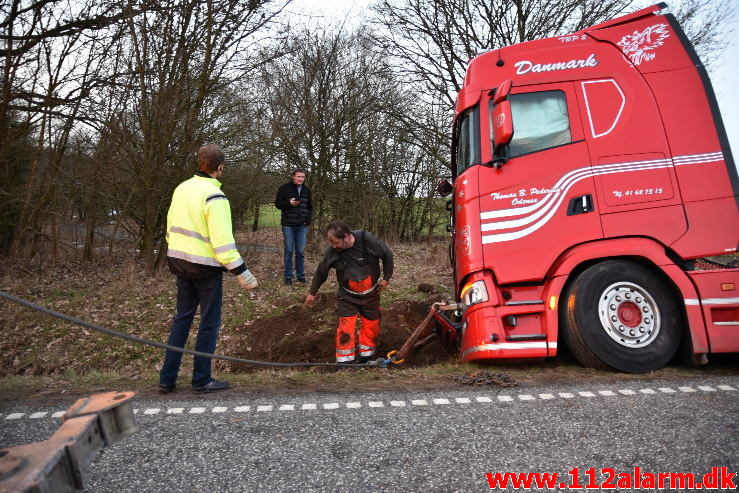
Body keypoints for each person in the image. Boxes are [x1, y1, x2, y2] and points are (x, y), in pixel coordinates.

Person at [160, 144, 258, 394]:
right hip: (205, 270)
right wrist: (243, 273)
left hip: (179, 264)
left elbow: (170, 229)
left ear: (200, 163)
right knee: (209, 323)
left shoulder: (181, 189)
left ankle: (167, 378)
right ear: (220, 167)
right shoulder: (215, 197)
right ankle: (201, 379)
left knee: (182, 320)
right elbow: (224, 245)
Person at [304, 220, 393, 363]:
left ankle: (366, 358)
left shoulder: (366, 240)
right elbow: (321, 272)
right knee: (346, 327)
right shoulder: (333, 251)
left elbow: (387, 255)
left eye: (336, 243)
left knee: (371, 326)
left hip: (371, 295)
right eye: (332, 243)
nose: (333, 246)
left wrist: (386, 279)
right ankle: (345, 363)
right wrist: (312, 293)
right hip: (347, 297)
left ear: (346, 236)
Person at [274, 169, 313, 285]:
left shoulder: (307, 190)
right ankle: (288, 277)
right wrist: (289, 203)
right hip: (288, 225)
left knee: (300, 252)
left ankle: (300, 276)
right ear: (293, 177)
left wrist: (308, 220)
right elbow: (278, 204)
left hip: (302, 226)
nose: (301, 179)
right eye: (299, 177)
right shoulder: (284, 188)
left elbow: (310, 207)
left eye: (303, 177)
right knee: (288, 251)